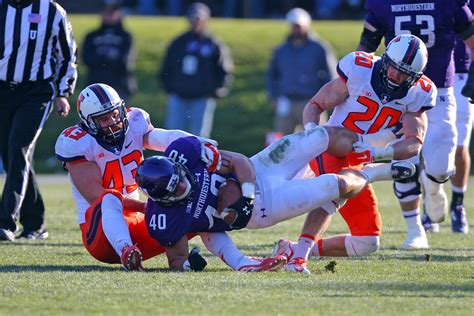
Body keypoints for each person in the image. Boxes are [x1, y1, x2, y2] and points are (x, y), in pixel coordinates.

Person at [54, 83, 284, 272]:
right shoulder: (78, 143)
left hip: (139, 226)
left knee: (198, 206)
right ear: (89, 122)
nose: (113, 122)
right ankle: (126, 252)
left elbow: (164, 138)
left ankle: (240, 262)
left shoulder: (135, 122)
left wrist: (200, 143)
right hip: (102, 235)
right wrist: (148, 208)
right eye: (103, 119)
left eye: (115, 114)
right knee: (110, 199)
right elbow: (97, 197)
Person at [136, 129, 416, 272]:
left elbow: (241, 162)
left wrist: (244, 193)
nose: (185, 186)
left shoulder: (185, 151)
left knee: (321, 135)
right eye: (177, 190)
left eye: (182, 178)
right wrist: (192, 265)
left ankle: (377, 142)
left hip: (259, 170)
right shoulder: (161, 219)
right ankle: (376, 173)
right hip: (264, 208)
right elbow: (184, 252)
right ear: (161, 198)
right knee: (338, 184)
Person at [272, 34, 436, 273]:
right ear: (385, 58)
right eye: (393, 67)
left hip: (361, 159)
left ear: (414, 77)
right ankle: (299, 259)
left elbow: (414, 143)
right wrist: (310, 133)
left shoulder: (419, 93)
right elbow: (316, 104)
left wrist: (377, 153)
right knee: (332, 193)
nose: (395, 76)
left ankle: (292, 250)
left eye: (404, 74)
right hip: (333, 147)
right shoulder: (360, 68)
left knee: (367, 241)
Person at [355, 0, 474, 238]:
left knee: (441, 168)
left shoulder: (450, 3)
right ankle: (414, 231)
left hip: (439, 90)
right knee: (402, 158)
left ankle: (433, 185)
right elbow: (364, 51)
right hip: (397, 92)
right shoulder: (383, 4)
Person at [0, 0, 77, 242]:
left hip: (36, 93)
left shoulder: (52, 11)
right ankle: (35, 223)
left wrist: (63, 92)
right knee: (11, 155)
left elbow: (68, 54)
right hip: (2, 90)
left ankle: (5, 223)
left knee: (18, 148)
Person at [159, 2, 234, 138]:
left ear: (206, 20)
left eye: (199, 18)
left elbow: (224, 69)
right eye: (192, 18)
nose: (195, 22)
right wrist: (170, 88)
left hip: (202, 98)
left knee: (199, 138)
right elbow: (166, 68)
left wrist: (215, 91)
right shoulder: (178, 42)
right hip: (179, 97)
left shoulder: (213, 43)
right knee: (173, 137)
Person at [266, 7, 337, 135]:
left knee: (316, 140)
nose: (296, 29)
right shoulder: (281, 50)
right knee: (282, 143)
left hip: (311, 101)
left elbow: (331, 74)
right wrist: (274, 96)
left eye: (298, 26)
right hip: (286, 101)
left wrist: (326, 98)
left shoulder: (319, 47)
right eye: (293, 26)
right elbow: (272, 75)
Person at [82, 0, 137, 101]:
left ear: (119, 13)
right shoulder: (92, 36)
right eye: (106, 12)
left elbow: (125, 62)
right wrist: (106, 59)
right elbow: (86, 59)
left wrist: (101, 60)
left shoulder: (126, 36)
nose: (109, 15)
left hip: (119, 86)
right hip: (96, 86)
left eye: (112, 12)